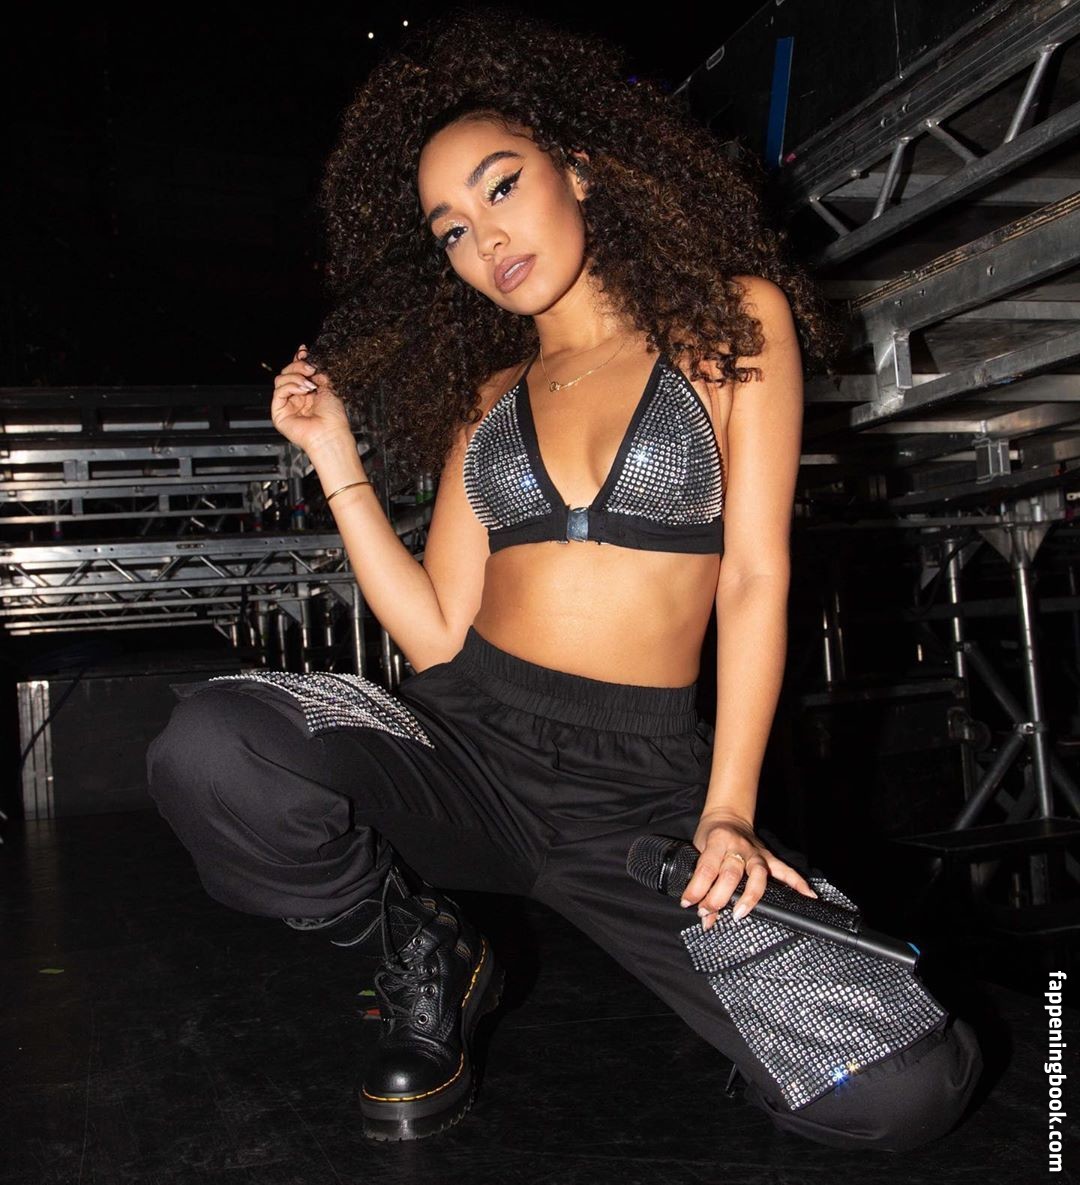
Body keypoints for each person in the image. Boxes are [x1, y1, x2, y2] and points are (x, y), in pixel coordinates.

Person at [146, 4, 983, 1151]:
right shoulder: (489, 402)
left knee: (903, 1089)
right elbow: (436, 634)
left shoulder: (731, 324)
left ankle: (744, 1015)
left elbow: (754, 577)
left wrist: (728, 811)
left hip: (642, 796)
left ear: (579, 170)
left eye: (501, 187)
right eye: (451, 229)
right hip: (467, 748)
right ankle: (423, 944)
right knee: (213, 746)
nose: (484, 237)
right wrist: (335, 457)